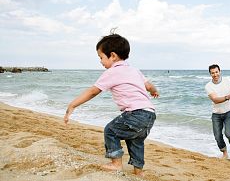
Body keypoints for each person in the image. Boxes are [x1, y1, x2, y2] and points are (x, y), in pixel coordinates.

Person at [64, 33, 159, 177]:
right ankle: (138, 171)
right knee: (136, 140)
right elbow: (149, 85)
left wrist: (73, 105)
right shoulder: (134, 70)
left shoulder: (112, 72)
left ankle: (116, 164)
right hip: (150, 114)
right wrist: (154, 91)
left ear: (112, 56)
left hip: (135, 113)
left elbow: (93, 91)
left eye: (101, 57)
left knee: (110, 130)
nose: (100, 62)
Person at [205, 64, 230, 159]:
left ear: (220, 72)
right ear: (210, 74)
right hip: (216, 114)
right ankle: (224, 153)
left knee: (228, 133)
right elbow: (215, 100)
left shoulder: (228, 80)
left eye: (216, 72)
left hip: (229, 112)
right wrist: (227, 97)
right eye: (212, 73)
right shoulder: (208, 86)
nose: (215, 74)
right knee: (217, 136)